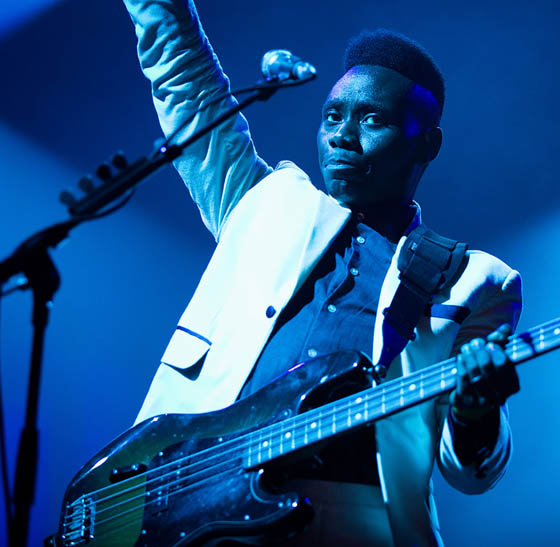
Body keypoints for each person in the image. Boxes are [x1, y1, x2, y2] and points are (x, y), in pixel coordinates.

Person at [123, 0, 522, 544]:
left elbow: (470, 472)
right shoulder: (262, 202)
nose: (342, 136)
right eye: (333, 116)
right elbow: (185, 82)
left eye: (373, 119)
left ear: (427, 144)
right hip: (186, 515)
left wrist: (478, 410)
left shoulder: (474, 282)